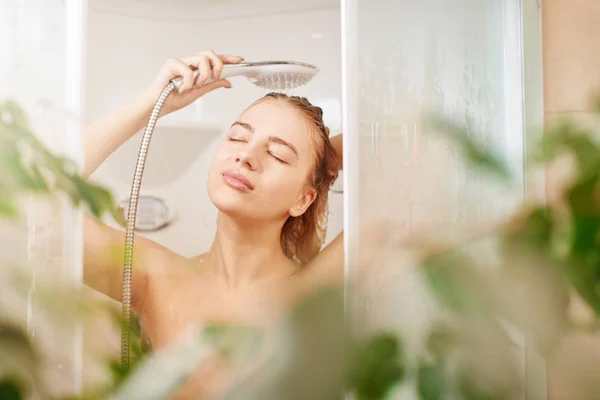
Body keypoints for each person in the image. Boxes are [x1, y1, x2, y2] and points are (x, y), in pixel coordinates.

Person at [83, 50, 344, 398]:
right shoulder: (155, 278)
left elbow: (399, 154)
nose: (246, 156)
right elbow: (28, 192)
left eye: (278, 154)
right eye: (237, 137)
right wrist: (152, 104)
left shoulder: (318, 287)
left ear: (303, 199)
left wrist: (329, 158)